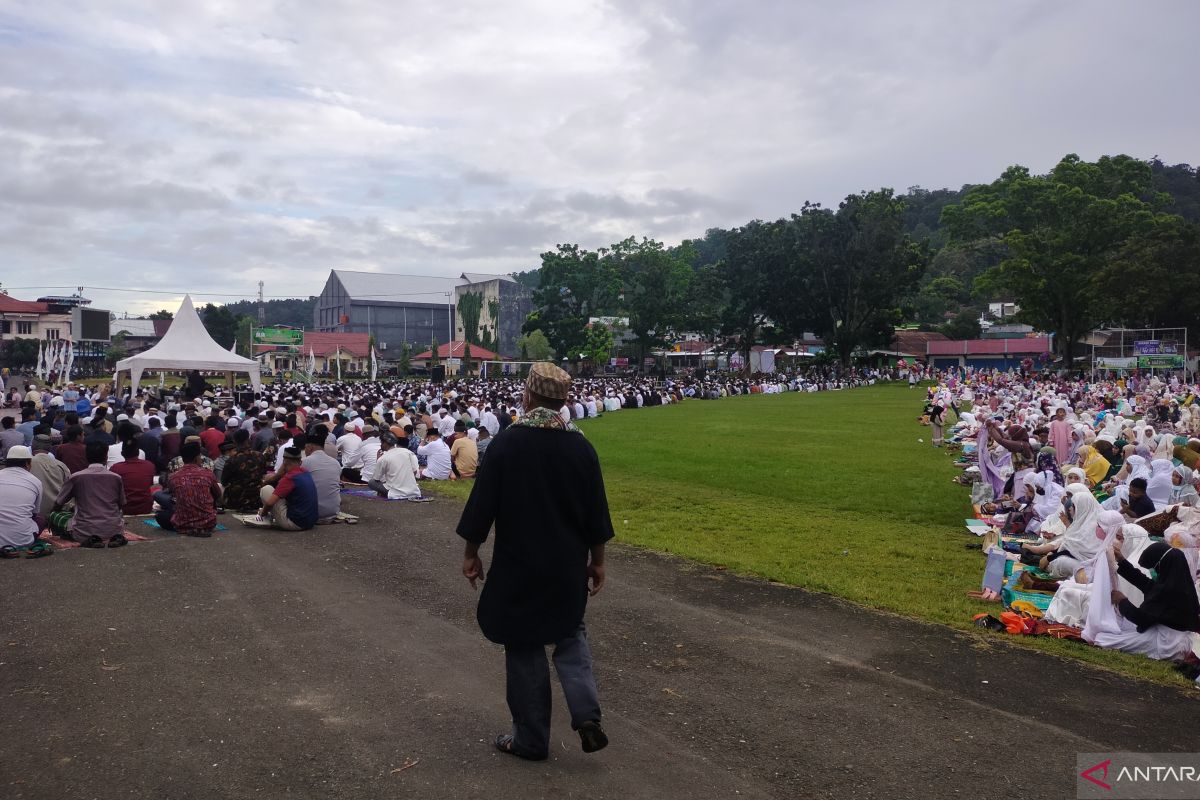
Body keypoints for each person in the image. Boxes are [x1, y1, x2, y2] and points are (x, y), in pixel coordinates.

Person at [456, 362, 613, 761]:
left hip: (519, 563)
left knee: (524, 642)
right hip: (567, 565)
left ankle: (530, 737)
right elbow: (598, 514)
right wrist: (598, 562)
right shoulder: (582, 446)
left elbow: (482, 507)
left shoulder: (508, 444)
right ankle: (587, 716)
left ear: (527, 395)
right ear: (565, 400)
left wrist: (471, 552)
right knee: (570, 632)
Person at [1112, 541, 1200, 633]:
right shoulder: (1180, 584)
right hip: (1174, 636)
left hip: (1167, 640)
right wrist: (1122, 561)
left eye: (1155, 568)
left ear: (1163, 565)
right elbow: (1147, 585)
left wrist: (1122, 601)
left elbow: (1141, 619)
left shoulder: (1170, 591)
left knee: (1106, 637)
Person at [52, 441, 127, 548]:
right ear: (106, 458)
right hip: (113, 529)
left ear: (86, 457)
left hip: (83, 531)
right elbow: (121, 504)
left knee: (54, 515)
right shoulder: (116, 477)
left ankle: (90, 537)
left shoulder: (76, 477)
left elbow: (58, 503)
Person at [154, 441, 222, 536]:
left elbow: (173, 497)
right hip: (208, 523)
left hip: (182, 524)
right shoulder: (208, 474)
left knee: (160, 514)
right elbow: (218, 495)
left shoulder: (173, 477)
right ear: (196, 458)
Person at [245, 447, 317, 531]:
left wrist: (263, 513)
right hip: (310, 522)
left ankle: (264, 518)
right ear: (300, 462)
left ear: (284, 463)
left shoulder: (290, 477)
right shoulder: (305, 472)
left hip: (295, 523)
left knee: (266, 489)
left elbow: (269, 503)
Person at [0, 445, 52, 558]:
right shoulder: (35, 481)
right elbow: (34, 513)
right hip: (23, 540)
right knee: (41, 519)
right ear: (28, 463)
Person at [220, 429, 269, 511]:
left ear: (234, 441)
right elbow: (263, 475)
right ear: (248, 439)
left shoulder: (232, 460)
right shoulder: (260, 456)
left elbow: (224, 481)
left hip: (237, 500)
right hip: (257, 498)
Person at [300, 434, 342, 521]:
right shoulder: (335, 463)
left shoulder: (305, 462)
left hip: (311, 511)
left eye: (305, 448)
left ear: (310, 447)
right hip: (333, 511)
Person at [110, 439, 157, 515]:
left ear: (122, 453)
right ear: (138, 452)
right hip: (145, 507)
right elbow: (150, 484)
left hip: (125, 508)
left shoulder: (115, 468)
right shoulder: (149, 465)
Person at [370, 433, 421, 500]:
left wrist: (378, 460)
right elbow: (414, 471)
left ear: (385, 443)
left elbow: (376, 478)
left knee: (371, 482)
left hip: (395, 493)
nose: (381, 445)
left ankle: (385, 493)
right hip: (413, 491)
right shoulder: (407, 452)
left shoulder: (383, 458)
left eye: (381, 442)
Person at [29, 435, 70, 519]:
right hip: (56, 515)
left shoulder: (27, 464)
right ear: (50, 448)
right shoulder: (61, 465)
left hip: (33, 514)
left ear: (32, 447)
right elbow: (69, 489)